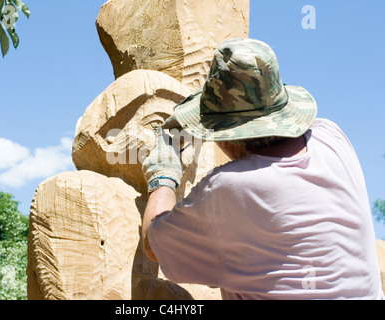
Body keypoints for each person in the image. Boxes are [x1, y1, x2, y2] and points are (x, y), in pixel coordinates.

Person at [141, 38, 384, 300]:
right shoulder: (332, 137)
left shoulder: (229, 187)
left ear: (224, 137)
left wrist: (163, 175)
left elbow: (153, 245)